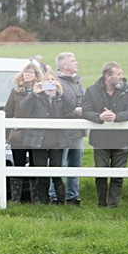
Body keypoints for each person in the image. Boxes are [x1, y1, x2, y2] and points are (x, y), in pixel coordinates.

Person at [82, 62, 128, 208]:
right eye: (118, 74)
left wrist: (116, 116)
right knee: (101, 173)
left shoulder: (127, 90)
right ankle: (101, 203)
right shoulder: (92, 90)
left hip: (122, 139)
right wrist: (99, 117)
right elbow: (85, 111)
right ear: (108, 76)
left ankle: (113, 204)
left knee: (118, 174)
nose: (122, 77)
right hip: (100, 140)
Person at [19, 72, 76, 205]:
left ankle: (61, 202)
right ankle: (42, 203)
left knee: (56, 173)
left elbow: (71, 108)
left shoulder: (61, 98)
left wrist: (61, 93)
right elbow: (23, 108)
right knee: (41, 173)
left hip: (57, 140)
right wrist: (34, 93)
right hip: (39, 141)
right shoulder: (37, 97)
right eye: (47, 80)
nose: (50, 82)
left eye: (53, 80)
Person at [4, 62, 44, 202]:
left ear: (36, 75)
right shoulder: (16, 91)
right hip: (19, 134)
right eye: (25, 72)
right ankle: (16, 199)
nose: (27, 75)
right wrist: (6, 134)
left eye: (31, 72)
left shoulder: (42, 91)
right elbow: (8, 112)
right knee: (18, 165)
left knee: (34, 165)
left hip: (35, 134)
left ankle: (35, 199)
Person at [54, 52, 85, 206]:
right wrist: (75, 111)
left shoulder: (78, 82)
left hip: (77, 131)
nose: (76, 63)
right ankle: (55, 197)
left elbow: (83, 101)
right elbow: (57, 107)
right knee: (60, 165)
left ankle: (73, 197)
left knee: (76, 165)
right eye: (73, 61)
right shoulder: (56, 82)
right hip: (62, 131)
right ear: (64, 65)